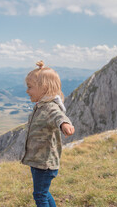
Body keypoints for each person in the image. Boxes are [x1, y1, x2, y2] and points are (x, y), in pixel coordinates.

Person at [21, 60, 75, 207]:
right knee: (43, 193)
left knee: (40, 195)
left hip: (45, 163)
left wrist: (65, 124)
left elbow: (59, 116)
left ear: (43, 88)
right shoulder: (41, 105)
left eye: (30, 87)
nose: (27, 91)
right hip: (38, 161)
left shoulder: (50, 107)